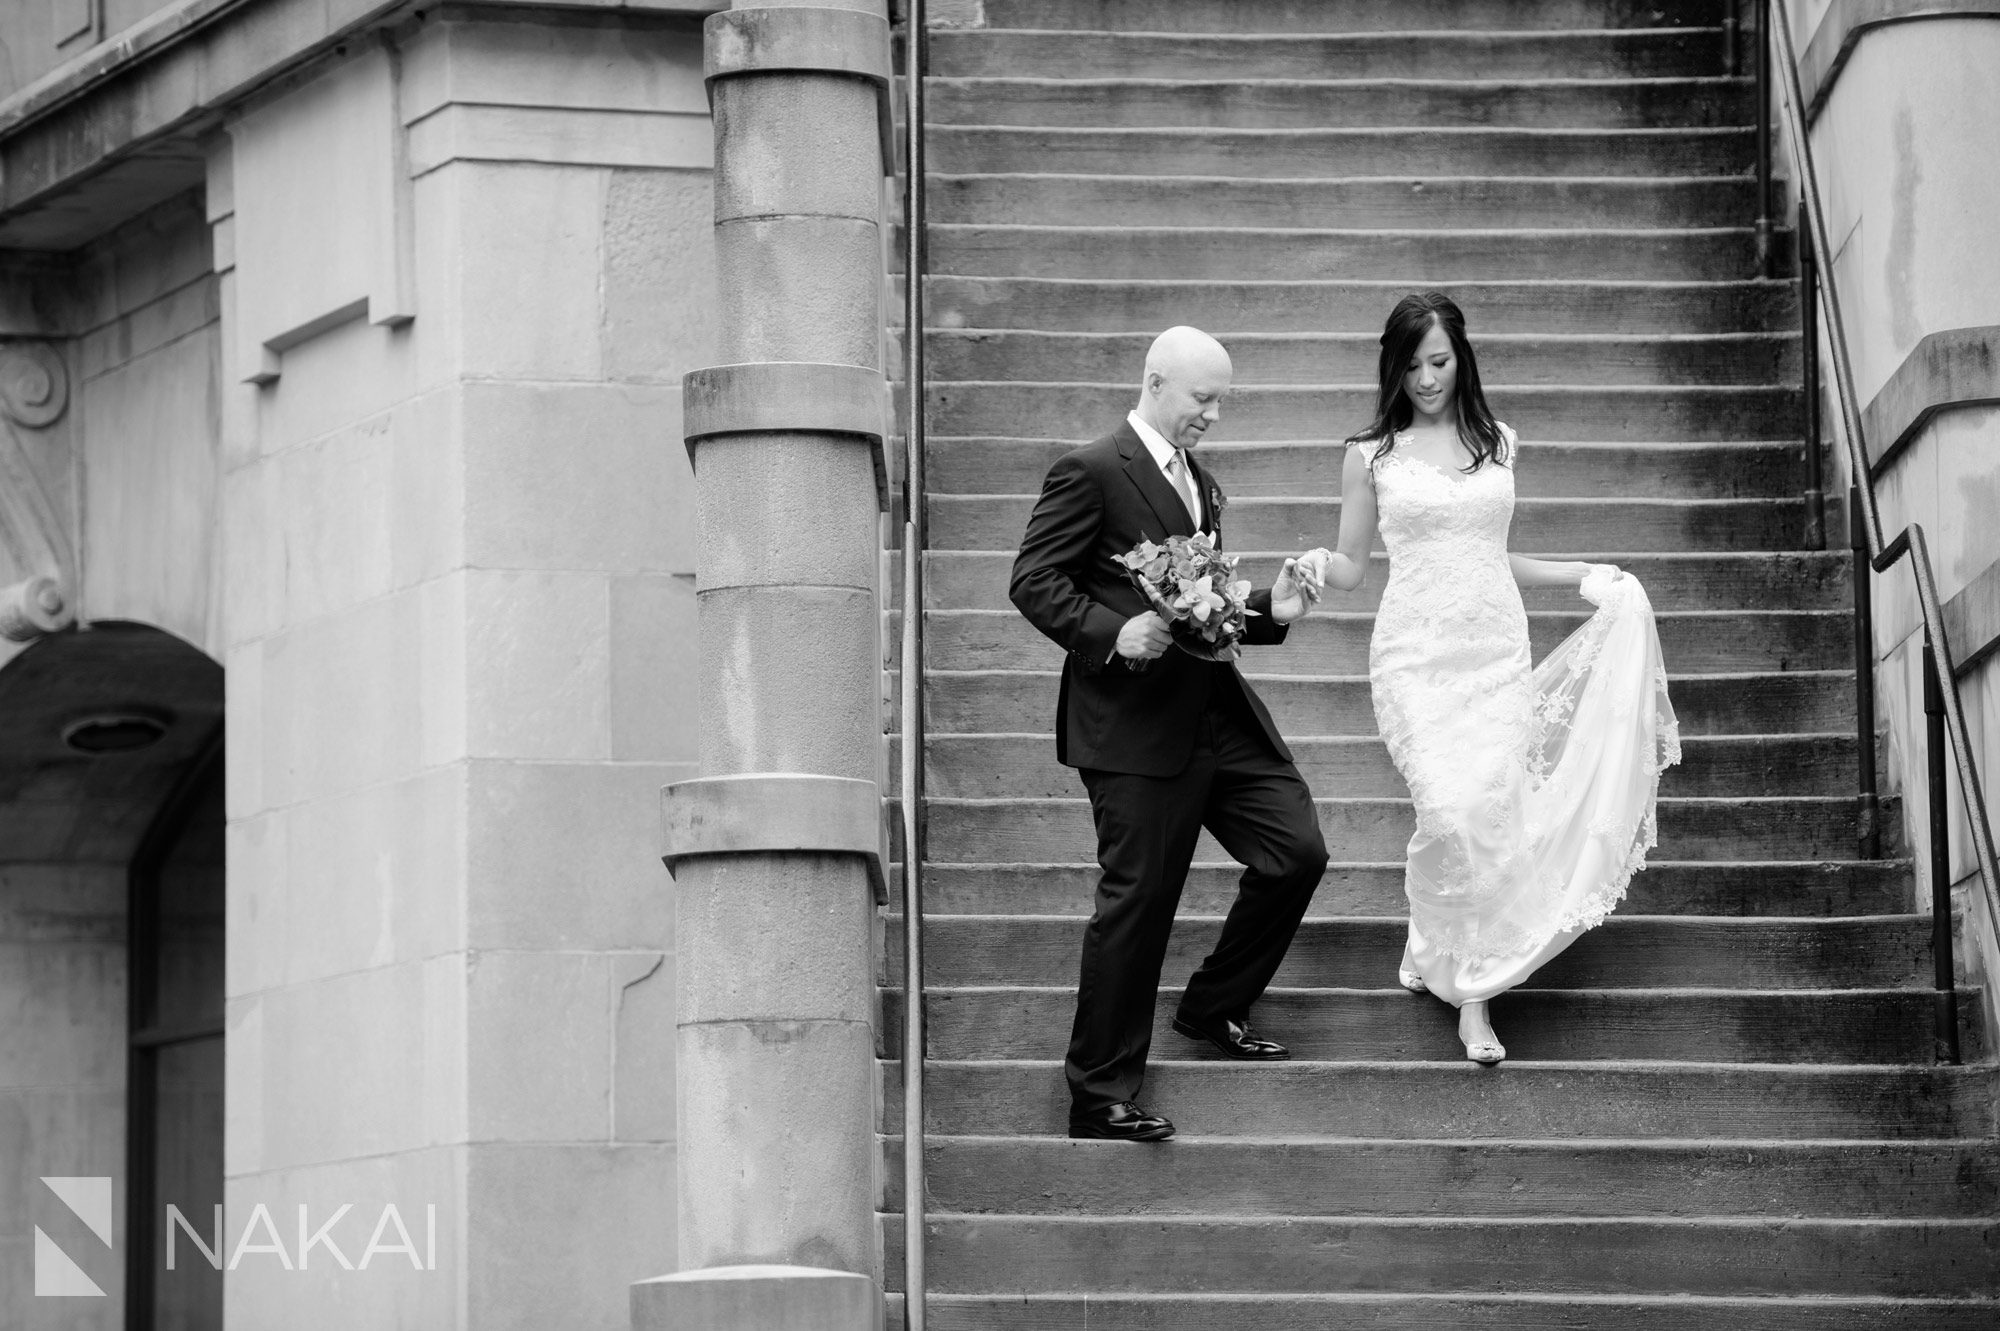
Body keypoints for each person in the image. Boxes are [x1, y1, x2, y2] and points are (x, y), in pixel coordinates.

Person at [1298, 292, 1680, 1064]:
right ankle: (1452, 962)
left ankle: (1472, 992)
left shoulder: (1497, 442)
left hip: (1495, 652)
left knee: (1487, 810)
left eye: (1438, 362)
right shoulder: (1369, 454)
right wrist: (1312, 568)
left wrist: (1583, 574)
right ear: (1392, 369)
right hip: (1414, 656)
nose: (1426, 379)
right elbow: (1352, 564)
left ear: (1461, 356)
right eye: (1410, 367)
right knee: (1451, 805)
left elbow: (1488, 554)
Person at [1009, 325, 1329, 1141]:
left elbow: (1204, 607)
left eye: (1221, 400)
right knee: (1139, 905)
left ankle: (1213, 1004)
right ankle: (1099, 1094)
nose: (1214, 414)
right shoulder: (1089, 469)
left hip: (1218, 711)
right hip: (1133, 727)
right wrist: (1110, 633)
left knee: (1297, 850)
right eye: (1203, 398)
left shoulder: (1203, 484)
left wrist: (1271, 609)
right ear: (1156, 383)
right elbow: (1033, 579)